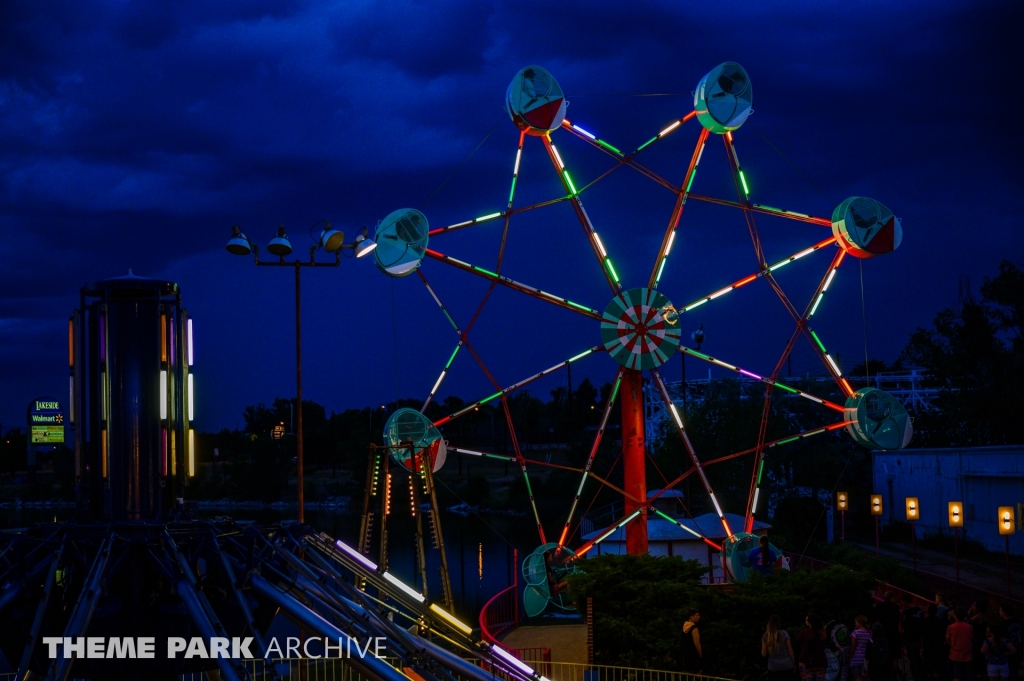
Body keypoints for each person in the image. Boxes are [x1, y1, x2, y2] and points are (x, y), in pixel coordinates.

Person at [794, 614, 828, 681]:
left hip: (806, 661)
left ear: (809, 622)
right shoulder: (822, 632)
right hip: (820, 662)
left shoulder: (805, 632)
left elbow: (797, 639)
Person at [762, 614, 796, 680]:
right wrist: (793, 663)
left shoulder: (765, 636)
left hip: (773, 667)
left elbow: (764, 654)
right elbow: (790, 650)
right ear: (779, 623)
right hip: (787, 665)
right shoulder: (784, 633)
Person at [872, 590, 902, 663]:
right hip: (894, 633)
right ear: (891, 598)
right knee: (894, 655)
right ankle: (894, 671)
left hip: (883, 633)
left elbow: (875, 618)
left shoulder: (879, 606)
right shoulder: (896, 607)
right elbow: (898, 620)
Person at [901, 593, 925, 681]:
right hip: (918, 638)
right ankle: (921, 675)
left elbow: (903, 625)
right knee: (919, 658)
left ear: (905, 602)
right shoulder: (919, 610)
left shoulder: (906, 612)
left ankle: (916, 676)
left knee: (912, 659)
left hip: (909, 638)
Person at [947, 607, 975, 680]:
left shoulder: (950, 627)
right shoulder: (969, 627)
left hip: (955, 654)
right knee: (967, 676)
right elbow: (971, 639)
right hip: (967, 654)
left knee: (956, 675)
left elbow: (948, 640)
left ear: (955, 616)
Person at [922, 603, 946, 681]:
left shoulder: (925, 621)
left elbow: (922, 635)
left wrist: (921, 648)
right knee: (939, 667)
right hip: (939, 647)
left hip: (928, 647)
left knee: (929, 667)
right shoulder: (940, 621)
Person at [998, 603, 1022, 678]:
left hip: (1009, 653)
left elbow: (1001, 639)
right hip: (1019, 649)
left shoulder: (1003, 625)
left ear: (1004, 612)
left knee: (1008, 674)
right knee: (1014, 673)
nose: (999, 612)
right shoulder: (1018, 622)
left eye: (1000, 610)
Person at [848, 615, 872, 681]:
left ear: (860, 623)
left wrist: (850, 657)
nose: (855, 624)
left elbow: (853, 646)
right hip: (866, 659)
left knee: (857, 678)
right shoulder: (869, 633)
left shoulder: (855, 633)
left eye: (856, 622)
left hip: (856, 659)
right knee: (866, 678)